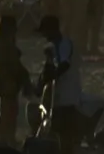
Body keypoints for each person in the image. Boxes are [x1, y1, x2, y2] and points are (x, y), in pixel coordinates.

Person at [40, 14, 83, 154]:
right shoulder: (55, 46)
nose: (44, 36)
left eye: (45, 31)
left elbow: (65, 65)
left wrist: (52, 75)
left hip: (68, 92)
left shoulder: (64, 44)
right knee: (59, 129)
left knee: (64, 130)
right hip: (61, 93)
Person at [0, 14, 28, 146]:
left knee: (9, 110)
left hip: (6, 79)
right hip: (7, 80)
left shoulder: (1, 42)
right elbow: (10, 63)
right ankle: (5, 138)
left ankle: (7, 137)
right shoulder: (4, 45)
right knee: (8, 110)